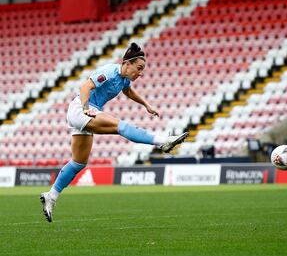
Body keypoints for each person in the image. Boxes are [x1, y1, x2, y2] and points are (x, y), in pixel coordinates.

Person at [40, 43, 188, 222]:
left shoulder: (125, 79)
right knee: (122, 127)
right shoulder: (109, 72)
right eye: (139, 68)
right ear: (127, 63)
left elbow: (128, 91)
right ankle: (162, 141)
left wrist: (146, 105)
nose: (140, 73)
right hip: (82, 109)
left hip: (85, 112)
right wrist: (86, 108)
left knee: (78, 163)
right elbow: (86, 87)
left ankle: (51, 196)